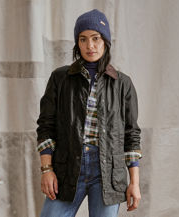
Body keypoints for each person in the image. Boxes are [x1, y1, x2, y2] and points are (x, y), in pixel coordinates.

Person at [36, 9, 142, 217]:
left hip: (108, 173)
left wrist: (134, 183)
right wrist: (47, 170)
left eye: (96, 38)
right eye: (83, 39)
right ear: (77, 43)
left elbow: (131, 135)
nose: (90, 46)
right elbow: (46, 126)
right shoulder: (60, 78)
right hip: (67, 167)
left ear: (105, 41)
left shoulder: (123, 84)